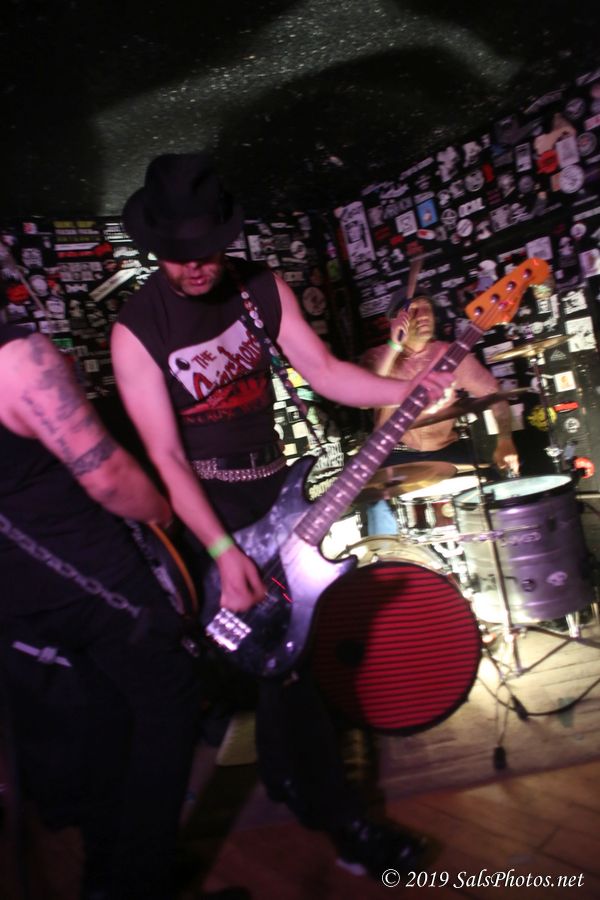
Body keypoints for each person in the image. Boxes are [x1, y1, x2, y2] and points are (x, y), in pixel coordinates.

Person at [110, 152, 455, 878]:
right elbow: (165, 457)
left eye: (207, 250)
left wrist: (408, 392)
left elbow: (325, 373)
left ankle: (306, 790)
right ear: (155, 246)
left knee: (289, 660)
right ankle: (318, 816)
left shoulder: (260, 288)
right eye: (177, 254)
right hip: (205, 509)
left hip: (274, 490)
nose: (194, 267)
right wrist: (220, 550)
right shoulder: (138, 328)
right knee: (240, 669)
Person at [0, 321, 210, 900]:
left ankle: (110, 876)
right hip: (93, 577)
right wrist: (163, 514)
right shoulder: (17, 357)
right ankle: (140, 878)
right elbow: (108, 476)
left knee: (99, 728)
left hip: (19, 598)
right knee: (169, 701)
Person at [361, 294, 520, 533]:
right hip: (395, 452)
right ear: (396, 320)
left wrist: (505, 440)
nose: (424, 315)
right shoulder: (377, 357)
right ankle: (388, 553)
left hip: (446, 449)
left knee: (500, 484)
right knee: (373, 501)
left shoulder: (452, 355)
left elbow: (494, 395)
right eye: (414, 309)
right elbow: (366, 400)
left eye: (427, 308)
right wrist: (394, 346)